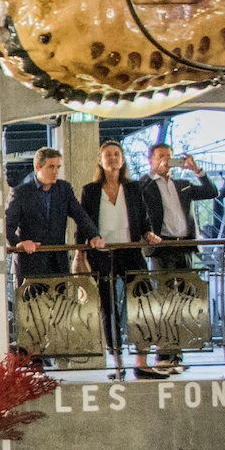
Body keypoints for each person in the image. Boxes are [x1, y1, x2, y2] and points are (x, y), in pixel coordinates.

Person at [134, 141, 217, 373]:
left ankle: (175, 353)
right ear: (151, 159)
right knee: (164, 300)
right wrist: (155, 172)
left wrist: (196, 170)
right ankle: (163, 352)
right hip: (162, 247)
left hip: (185, 247)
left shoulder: (183, 184)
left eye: (169, 156)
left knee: (182, 300)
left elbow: (212, 192)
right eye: (161, 156)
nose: (166, 160)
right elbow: (135, 197)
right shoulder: (146, 184)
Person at [79, 141, 150, 375]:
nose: (112, 158)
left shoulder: (133, 187)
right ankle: (118, 363)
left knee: (141, 302)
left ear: (122, 160)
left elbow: (143, 217)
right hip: (102, 254)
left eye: (116, 154)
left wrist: (149, 233)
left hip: (130, 251)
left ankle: (141, 360)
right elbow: (84, 223)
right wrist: (81, 253)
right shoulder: (90, 190)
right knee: (108, 308)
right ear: (100, 160)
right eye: (107, 155)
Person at [6, 148, 103, 281]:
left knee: (61, 301)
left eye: (58, 167)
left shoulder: (64, 189)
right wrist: (19, 244)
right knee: (31, 301)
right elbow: (7, 226)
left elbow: (80, 214)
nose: (56, 171)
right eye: (51, 167)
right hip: (30, 263)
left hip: (58, 262)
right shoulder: (20, 193)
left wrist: (93, 235)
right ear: (37, 167)